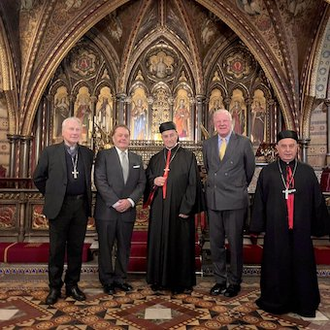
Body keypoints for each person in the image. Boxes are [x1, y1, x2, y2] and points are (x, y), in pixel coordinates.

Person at [250, 130, 330, 317]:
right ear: (277, 148)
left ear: (297, 148)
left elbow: (317, 202)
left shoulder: (307, 172)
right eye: (283, 146)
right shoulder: (268, 173)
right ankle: (275, 301)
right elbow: (260, 201)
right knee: (277, 266)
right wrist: (256, 227)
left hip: (300, 230)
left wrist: (321, 226)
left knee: (302, 267)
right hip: (276, 231)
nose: (287, 150)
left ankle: (304, 302)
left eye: (291, 146)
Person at [33, 117, 94, 305]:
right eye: (71, 129)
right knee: (57, 249)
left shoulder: (87, 153)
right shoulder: (50, 152)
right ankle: (54, 287)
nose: (75, 132)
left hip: (80, 206)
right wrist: (54, 194)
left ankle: (72, 285)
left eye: (78, 129)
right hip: (60, 207)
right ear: (63, 131)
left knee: (76, 248)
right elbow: (38, 177)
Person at [144, 121, 204, 294]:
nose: (169, 138)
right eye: (165, 136)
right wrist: (154, 181)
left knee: (181, 244)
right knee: (159, 243)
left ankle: (181, 282)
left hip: (180, 210)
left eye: (171, 135)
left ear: (177, 135)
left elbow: (194, 184)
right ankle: (157, 280)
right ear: (161, 138)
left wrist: (187, 208)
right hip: (159, 210)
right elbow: (147, 179)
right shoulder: (156, 158)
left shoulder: (188, 156)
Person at [203, 109, 255, 297]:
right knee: (215, 243)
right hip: (214, 200)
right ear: (214, 124)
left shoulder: (243, 143)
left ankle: (234, 281)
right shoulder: (207, 144)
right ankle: (219, 279)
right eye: (218, 121)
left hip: (234, 200)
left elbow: (249, 171)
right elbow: (209, 168)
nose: (222, 124)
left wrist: (237, 188)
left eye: (225, 120)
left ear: (231, 122)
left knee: (234, 243)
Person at [94, 124, 146, 295]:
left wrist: (130, 201)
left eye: (126, 135)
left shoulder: (137, 159)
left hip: (128, 211)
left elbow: (141, 183)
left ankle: (121, 278)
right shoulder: (104, 155)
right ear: (113, 138)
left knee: (124, 247)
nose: (123, 138)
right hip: (107, 211)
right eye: (120, 135)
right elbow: (99, 180)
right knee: (106, 247)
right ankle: (107, 281)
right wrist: (116, 202)